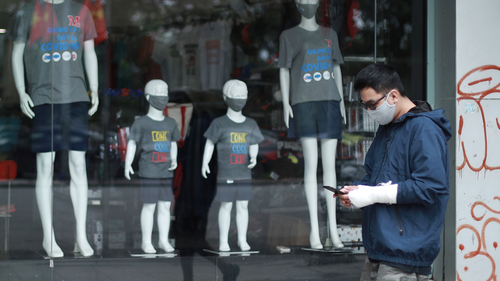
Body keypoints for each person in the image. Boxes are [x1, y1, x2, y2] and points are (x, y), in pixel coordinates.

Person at [337, 64, 451, 280]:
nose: (369, 111)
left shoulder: (424, 129)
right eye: (365, 105)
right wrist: (358, 191)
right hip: (380, 249)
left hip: (405, 254)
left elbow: (430, 187)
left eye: (372, 104)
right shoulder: (388, 128)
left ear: (393, 95)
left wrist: (372, 194)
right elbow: (376, 177)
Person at [11, 0, 99, 257]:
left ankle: (81, 237)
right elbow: (16, 52)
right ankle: (48, 237)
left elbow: (90, 51)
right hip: (43, 97)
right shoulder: (28, 11)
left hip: (76, 97)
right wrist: (21, 91)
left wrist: (94, 89)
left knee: (78, 166)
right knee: (45, 167)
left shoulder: (81, 10)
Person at [278, 0, 346, 249]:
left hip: (329, 101)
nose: (308, 4)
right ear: (297, 5)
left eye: (312, 0)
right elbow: (284, 70)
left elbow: (336, 68)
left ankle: (334, 231)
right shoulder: (289, 36)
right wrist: (286, 103)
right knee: (311, 166)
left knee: (330, 167)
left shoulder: (330, 35)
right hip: (303, 103)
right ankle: (315, 233)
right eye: (303, 1)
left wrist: (340, 101)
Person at [202, 79, 264, 252]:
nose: (239, 99)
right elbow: (210, 144)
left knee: (243, 206)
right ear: (226, 97)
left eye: (243, 95)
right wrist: (205, 162)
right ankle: (223, 241)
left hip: (244, 173)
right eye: (236, 95)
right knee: (226, 206)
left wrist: (253, 157)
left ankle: (242, 240)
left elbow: (254, 144)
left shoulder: (250, 124)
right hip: (226, 173)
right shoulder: (219, 123)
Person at [124, 79, 181, 254]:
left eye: (165, 93)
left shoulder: (170, 123)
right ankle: (146, 242)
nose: (163, 97)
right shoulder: (141, 123)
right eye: (159, 93)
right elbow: (132, 144)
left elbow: (173, 143)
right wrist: (128, 164)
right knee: (149, 206)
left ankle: (163, 240)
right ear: (148, 97)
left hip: (166, 171)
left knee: (165, 206)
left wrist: (174, 158)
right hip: (149, 171)